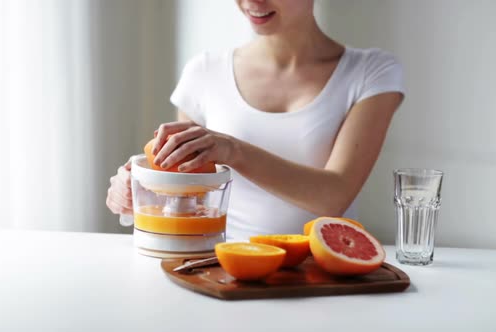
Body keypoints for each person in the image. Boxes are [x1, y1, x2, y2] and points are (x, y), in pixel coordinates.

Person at [107, 0, 404, 240]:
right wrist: (141, 189)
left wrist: (232, 150)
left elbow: (335, 195)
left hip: (323, 272)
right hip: (226, 268)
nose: (252, 2)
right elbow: (189, 197)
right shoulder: (204, 72)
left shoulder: (371, 71)